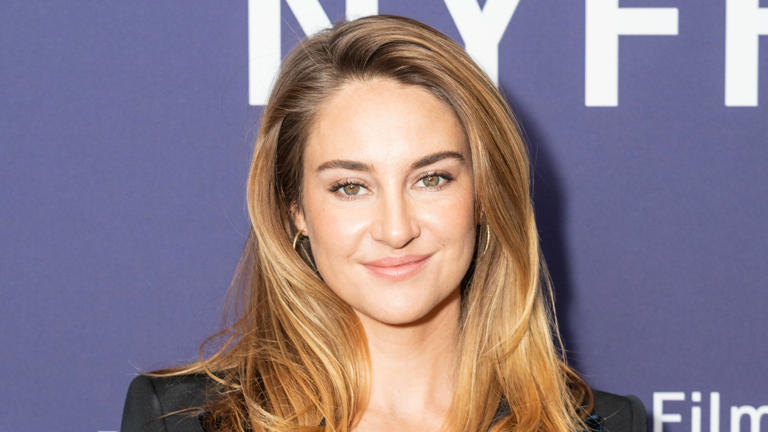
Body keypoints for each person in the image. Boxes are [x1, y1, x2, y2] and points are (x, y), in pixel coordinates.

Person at [120, 14, 646, 432]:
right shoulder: (183, 420)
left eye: (432, 179)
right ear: (294, 209)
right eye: (351, 187)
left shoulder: (602, 424)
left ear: (485, 195)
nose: (396, 230)